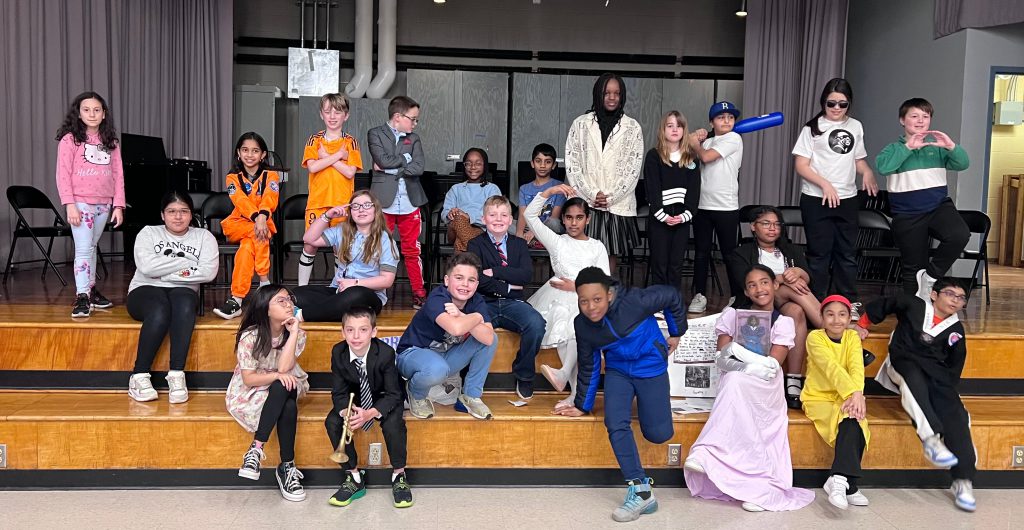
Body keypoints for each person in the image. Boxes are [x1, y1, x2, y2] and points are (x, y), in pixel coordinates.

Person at [552, 267, 686, 523]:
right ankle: (641, 490)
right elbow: (589, 364)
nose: (591, 307)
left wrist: (675, 331)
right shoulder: (583, 325)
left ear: (610, 295)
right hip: (618, 371)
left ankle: (647, 405)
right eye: (584, 301)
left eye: (597, 299)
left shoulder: (635, 301)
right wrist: (582, 403)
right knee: (615, 422)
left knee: (658, 435)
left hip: (650, 367)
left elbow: (671, 295)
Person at [684, 265, 815, 513]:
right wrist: (743, 359)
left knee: (739, 381)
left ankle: (749, 481)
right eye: (752, 285)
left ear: (775, 286)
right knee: (734, 380)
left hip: (766, 385)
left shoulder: (783, 321)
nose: (759, 289)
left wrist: (739, 352)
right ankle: (706, 455)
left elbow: (773, 364)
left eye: (764, 282)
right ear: (746, 290)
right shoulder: (733, 316)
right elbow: (723, 358)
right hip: (737, 375)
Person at [854, 278, 976, 512]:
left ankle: (963, 480)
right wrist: (863, 324)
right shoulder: (913, 305)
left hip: (936, 373)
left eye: (960, 298)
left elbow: (955, 364)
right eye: (950, 294)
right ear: (934, 294)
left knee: (957, 415)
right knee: (914, 381)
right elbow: (886, 304)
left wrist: (946, 390)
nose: (955, 300)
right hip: (902, 362)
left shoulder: (956, 331)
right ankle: (930, 439)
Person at [793, 78, 877, 311]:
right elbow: (801, 165)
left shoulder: (855, 126)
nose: (837, 109)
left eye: (843, 104)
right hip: (816, 198)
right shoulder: (812, 128)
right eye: (832, 104)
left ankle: (847, 301)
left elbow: (858, 159)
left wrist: (867, 171)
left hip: (847, 199)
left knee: (846, 253)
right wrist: (825, 185)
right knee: (819, 253)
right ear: (823, 102)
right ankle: (818, 303)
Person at [127, 191, 218, 403]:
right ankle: (139, 375)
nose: (178, 217)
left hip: (183, 291)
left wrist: (164, 271)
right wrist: (187, 263)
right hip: (144, 289)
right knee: (160, 310)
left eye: (184, 211)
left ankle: (177, 374)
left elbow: (208, 273)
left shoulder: (204, 237)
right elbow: (147, 268)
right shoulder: (148, 233)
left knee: (185, 304)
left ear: (191, 214)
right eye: (172, 212)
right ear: (162, 215)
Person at [726, 205, 822, 408]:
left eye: (777, 224)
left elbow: (807, 278)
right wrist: (783, 278)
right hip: (759, 303)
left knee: (796, 311)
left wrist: (797, 272)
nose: (772, 228)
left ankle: (793, 378)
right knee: (793, 286)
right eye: (766, 224)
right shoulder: (741, 253)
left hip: (787, 304)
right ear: (753, 226)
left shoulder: (791, 250)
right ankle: (830, 326)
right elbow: (746, 282)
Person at [875, 98, 970, 298]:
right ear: (902, 120)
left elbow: (962, 164)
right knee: (912, 269)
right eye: (914, 116)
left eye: (925, 117)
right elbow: (883, 167)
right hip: (907, 215)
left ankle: (931, 276)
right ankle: (916, 315)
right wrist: (908, 147)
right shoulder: (893, 149)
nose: (920, 121)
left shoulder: (937, 147)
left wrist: (951, 146)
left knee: (959, 235)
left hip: (938, 207)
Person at [525, 184, 610, 407]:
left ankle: (565, 377)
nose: (574, 223)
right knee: (565, 323)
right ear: (562, 219)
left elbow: (605, 280)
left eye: (579, 217)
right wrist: (550, 192)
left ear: (588, 220)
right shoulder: (557, 242)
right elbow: (529, 215)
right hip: (556, 294)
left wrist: (578, 286)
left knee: (575, 326)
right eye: (569, 217)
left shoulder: (597, 247)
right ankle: (573, 393)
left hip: (586, 297)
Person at [227, 285, 309, 502]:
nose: (289, 304)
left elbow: (284, 368)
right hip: (254, 386)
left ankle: (255, 449)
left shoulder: (296, 333)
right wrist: (275, 377)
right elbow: (249, 378)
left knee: (284, 385)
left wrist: (293, 333)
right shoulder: (250, 336)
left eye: (289, 299)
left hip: (287, 380)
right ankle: (287, 467)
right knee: (288, 404)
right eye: (280, 301)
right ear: (266, 308)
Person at [326, 306, 412, 509]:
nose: (356, 336)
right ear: (342, 331)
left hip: (384, 398)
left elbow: (393, 394)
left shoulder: (385, 353)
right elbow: (338, 393)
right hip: (355, 400)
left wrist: (370, 414)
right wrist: (345, 411)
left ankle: (399, 475)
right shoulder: (338, 352)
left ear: (374, 332)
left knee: (393, 425)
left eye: (363, 330)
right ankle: (354, 476)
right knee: (333, 422)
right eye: (350, 330)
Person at [395, 252, 497, 420]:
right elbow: (455, 329)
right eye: (459, 278)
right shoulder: (438, 297)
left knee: (490, 340)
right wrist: (477, 318)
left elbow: (488, 338)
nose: (465, 284)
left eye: (471, 280)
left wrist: (462, 315)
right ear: (447, 281)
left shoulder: (476, 301)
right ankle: (416, 394)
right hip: (413, 355)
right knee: (437, 368)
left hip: (443, 359)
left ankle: (471, 396)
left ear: (477, 284)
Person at [466, 195, 547, 400]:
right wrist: (510, 286)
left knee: (536, 324)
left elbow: (526, 276)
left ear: (511, 220)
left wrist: (495, 271)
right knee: (471, 329)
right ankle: (469, 376)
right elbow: (476, 279)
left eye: (503, 215)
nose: (498, 219)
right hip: (484, 301)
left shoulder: (519, 244)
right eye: (492, 215)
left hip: (514, 303)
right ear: (483, 219)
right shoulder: (475, 245)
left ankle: (524, 373)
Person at [54, 91, 126, 318]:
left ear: (104, 114)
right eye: (87, 110)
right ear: (79, 113)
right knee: (84, 249)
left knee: (92, 247)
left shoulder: (110, 143)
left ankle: (91, 289)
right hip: (80, 203)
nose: (92, 114)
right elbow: (62, 174)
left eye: (97, 110)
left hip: (103, 204)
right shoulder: (70, 140)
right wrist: (69, 204)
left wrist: (119, 205)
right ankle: (82, 296)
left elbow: (118, 175)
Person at [565, 73, 644, 271]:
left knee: (609, 254)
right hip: (587, 201)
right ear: (598, 94)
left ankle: (603, 298)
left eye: (616, 93)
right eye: (607, 93)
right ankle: (580, 297)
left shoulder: (632, 127)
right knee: (583, 252)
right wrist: (592, 194)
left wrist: (609, 197)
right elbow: (572, 165)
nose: (612, 97)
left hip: (617, 204)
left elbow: (632, 170)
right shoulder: (580, 124)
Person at [802, 295, 870, 510]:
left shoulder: (852, 337)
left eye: (842, 315)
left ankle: (840, 480)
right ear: (821, 317)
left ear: (850, 318)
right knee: (851, 416)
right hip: (818, 397)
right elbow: (831, 368)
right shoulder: (814, 338)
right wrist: (854, 393)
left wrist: (856, 394)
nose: (836, 320)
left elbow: (856, 367)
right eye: (829, 315)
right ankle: (847, 485)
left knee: (855, 418)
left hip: (847, 395)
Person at [294, 190, 398, 322]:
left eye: (367, 205)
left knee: (354, 295)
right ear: (350, 212)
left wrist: (355, 283)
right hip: (337, 291)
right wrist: (327, 216)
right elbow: (309, 239)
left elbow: (386, 280)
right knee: (297, 294)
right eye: (355, 206)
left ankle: (302, 315)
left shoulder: (385, 240)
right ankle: (330, 310)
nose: (361, 210)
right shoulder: (341, 230)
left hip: (367, 295)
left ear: (375, 210)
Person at [213, 132, 282, 319]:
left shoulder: (271, 175)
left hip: (261, 223)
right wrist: (257, 217)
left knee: (246, 249)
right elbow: (240, 200)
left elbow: (270, 196)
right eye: (245, 150)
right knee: (258, 232)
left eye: (255, 151)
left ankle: (236, 300)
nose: (249, 155)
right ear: (238, 153)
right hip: (238, 224)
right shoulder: (233, 177)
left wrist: (262, 216)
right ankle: (264, 281)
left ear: (263, 154)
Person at [367, 95, 428, 308]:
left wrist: (390, 168)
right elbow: (381, 159)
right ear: (397, 117)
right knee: (378, 249)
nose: (415, 123)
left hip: (410, 201)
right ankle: (376, 292)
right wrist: (405, 160)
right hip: (383, 201)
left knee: (413, 249)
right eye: (413, 119)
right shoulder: (375, 133)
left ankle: (419, 292)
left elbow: (419, 167)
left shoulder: (415, 138)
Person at [298, 93, 363, 287]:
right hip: (317, 203)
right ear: (321, 114)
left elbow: (350, 172)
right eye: (327, 111)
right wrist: (338, 157)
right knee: (309, 245)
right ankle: (301, 291)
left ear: (346, 115)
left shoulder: (350, 142)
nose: (332, 116)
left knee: (340, 248)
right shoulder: (314, 140)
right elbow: (312, 167)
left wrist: (326, 156)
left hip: (342, 205)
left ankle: (338, 289)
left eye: (338, 111)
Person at [687, 101, 744, 314]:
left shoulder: (734, 138)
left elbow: (706, 157)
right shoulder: (707, 141)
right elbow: (690, 161)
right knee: (701, 253)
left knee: (730, 254)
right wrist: (693, 139)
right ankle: (699, 294)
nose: (727, 120)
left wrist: (695, 143)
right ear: (712, 121)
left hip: (726, 207)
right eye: (721, 117)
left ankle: (736, 296)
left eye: (730, 117)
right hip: (702, 205)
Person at [644, 110, 700, 293]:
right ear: (663, 130)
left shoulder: (691, 158)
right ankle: (658, 304)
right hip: (659, 219)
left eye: (679, 126)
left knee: (676, 265)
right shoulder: (654, 156)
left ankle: (672, 304)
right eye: (670, 126)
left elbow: (694, 192)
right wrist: (663, 216)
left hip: (681, 220)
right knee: (659, 263)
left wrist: (684, 216)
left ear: (684, 130)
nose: (675, 130)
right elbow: (652, 189)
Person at [442, 148, 502, 252]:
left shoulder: (492, 189)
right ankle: (481, 259)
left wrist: (470, 217)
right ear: (464, 166)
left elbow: (495, 216)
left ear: (485, 166)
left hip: (481, 231)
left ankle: (463, 263)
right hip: (455, 229)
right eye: (468, 164)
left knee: (460, 244)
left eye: (478, 164)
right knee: (459, 219)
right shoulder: (456, 189)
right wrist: (450, 214)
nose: (473, 167)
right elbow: (444, 214)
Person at [515, 143, 565, 247]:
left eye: (547, 162)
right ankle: (529, 239)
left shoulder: (559, 186)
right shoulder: (524, 189)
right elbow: (522, 215)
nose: (542, 165)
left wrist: (534, 232)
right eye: (538, 161)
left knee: (554, 222)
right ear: (532, 163)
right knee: (505, 223)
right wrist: (519, 235)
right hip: (528, 227)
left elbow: (554, 216)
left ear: (554, 165)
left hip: (548, 226)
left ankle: (534, 238)